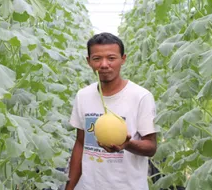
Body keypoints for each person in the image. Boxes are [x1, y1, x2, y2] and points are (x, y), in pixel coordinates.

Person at [65, 32, 159, 190]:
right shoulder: (83, 96)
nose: (104, 64)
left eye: (111, 58)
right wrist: (69, 187)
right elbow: (80, 143)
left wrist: (127, 144)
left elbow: (151, 147)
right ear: (88, 61)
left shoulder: (141, 96)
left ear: (123, 59)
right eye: (97, 59)